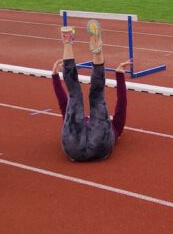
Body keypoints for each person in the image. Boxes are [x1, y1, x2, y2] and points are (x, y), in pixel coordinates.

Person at [54, 20, 130, 162]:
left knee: (86, 96)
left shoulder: (115, 126)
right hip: (96, 145)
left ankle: (69, 41)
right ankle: (80, 44)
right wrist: (119, 75)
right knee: (84, 95)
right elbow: (122, 103)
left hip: (75, 146)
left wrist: (54, 77)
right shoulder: (115, 127)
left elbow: (122, 105)